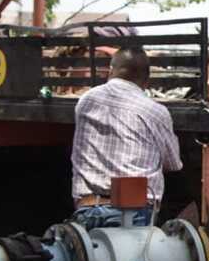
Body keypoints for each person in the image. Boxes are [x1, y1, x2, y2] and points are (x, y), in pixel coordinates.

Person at [70, 46, 182, 229]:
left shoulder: (86, 101)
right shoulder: (155, 112)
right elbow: (173, 164)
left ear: (110, 71)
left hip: (87, 208)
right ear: (147, 81)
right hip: (133, 214)